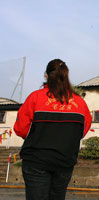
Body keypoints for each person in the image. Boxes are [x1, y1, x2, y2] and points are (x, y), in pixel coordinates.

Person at [14, 59, 92, 200]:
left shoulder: (35, 98)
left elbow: (20, 129)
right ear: (65, 76)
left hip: (36, 163)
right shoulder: (79, 102)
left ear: (47, 76)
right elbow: (82, 131)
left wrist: (39, 136)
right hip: (65, 163)